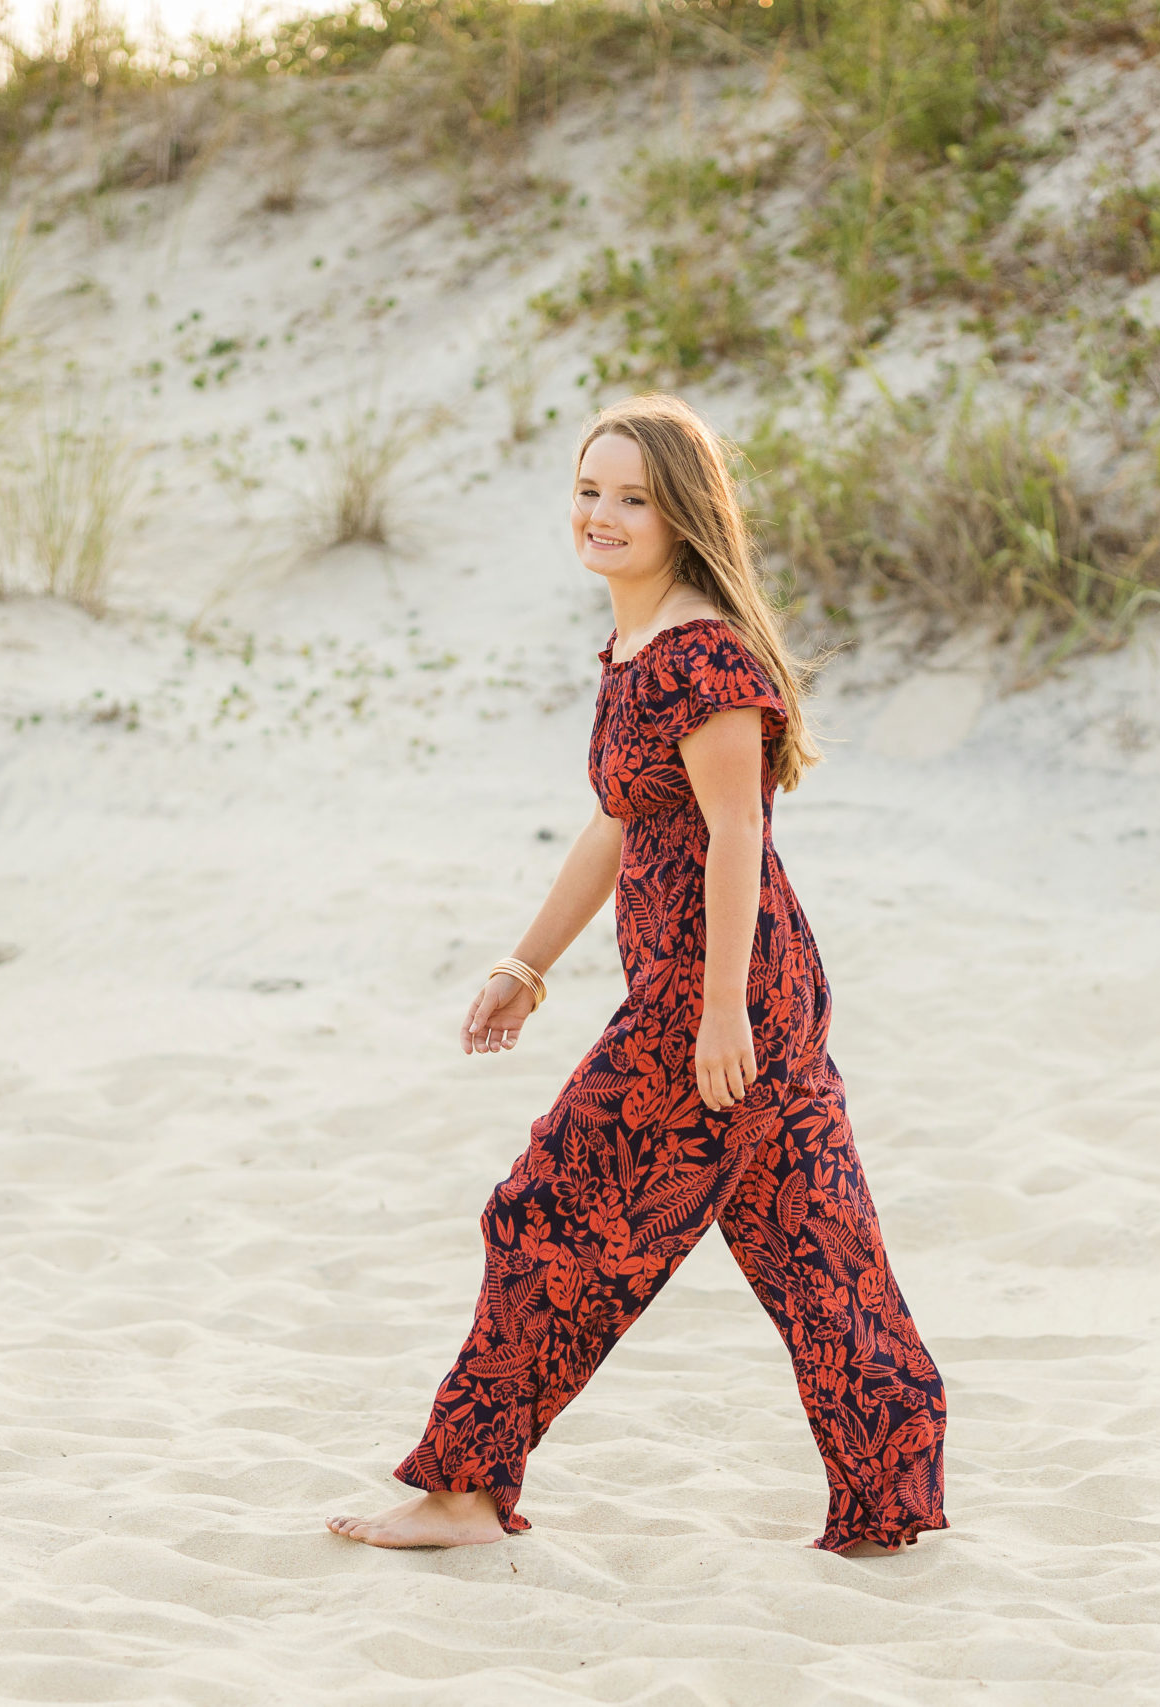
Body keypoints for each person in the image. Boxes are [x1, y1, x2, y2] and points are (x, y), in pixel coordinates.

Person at [327, 394, 947, 1557]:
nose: (601, 516)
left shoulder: (703, 657)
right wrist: (527, 964)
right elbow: (620, 822)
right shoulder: (638, 647)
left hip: (720, 994)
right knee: (814, 1243)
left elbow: (733, 835)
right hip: (736, 986)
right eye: (587, 491)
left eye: (633, 499)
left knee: (539, 1211)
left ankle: (462, 1491)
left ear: (683, 516)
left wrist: (715, 1012)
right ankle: (892, 1499)